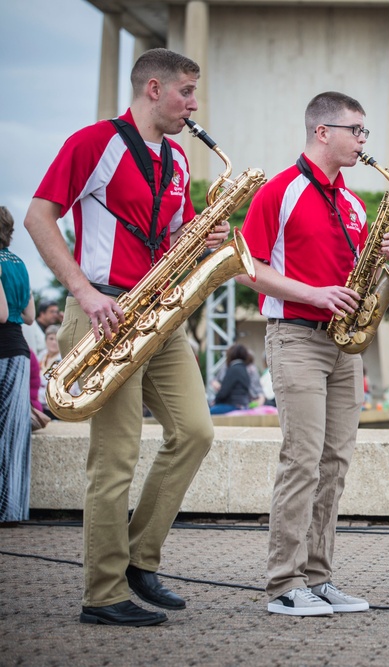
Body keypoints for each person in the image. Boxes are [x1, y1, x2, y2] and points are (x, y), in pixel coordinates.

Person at [23, 48, 224, 626]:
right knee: (114, 457)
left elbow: (172, 230)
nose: (193, 103)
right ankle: (102, 593)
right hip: (105, 309)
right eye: (186, 91)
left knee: (195, 432)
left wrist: (201, 238)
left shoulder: (180, 160)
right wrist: (84, 292)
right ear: (153, 88)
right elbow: (39, 215)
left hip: (158, 312)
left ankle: (139, 558)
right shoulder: (94, 142)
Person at [236, 91, 389, 616]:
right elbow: (245, 268)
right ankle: (284, 584)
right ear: (322, 131)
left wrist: (385, 258)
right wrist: (313, 293)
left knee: (334, 464)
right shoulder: (278, 192)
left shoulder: (352, 201)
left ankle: (319, 577)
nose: (363, 142)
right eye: (356, 130)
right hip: (296, 336)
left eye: (364, 132)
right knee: (302, 461)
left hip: (343, 345)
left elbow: (353, 280)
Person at [0, 205, 36, 527]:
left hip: (1, 350)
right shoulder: (19, 263)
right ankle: (12, 511)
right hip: (19, 350)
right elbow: (29, 316)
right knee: (14, 435)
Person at [209, 343, 252, 415]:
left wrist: (215, 401)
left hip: (232, 405)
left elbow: (223, 392)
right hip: (243, 405)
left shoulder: (233, 369)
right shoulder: (244, 369)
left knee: (207, 412)